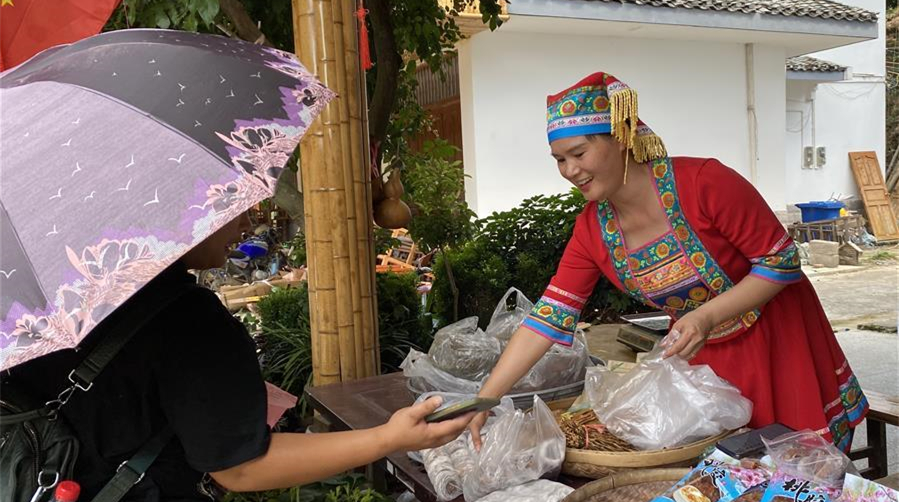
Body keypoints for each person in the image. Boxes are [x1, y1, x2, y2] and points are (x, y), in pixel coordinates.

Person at [469, 71, 868, 453]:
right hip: (703, 365)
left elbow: (781, 261)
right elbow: (549, 315)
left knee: (800, 469)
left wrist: (705, 317)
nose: (570, 171)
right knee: (730, 475)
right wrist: (485, 398)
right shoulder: (592, 230)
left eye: (579, 153)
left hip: (780, 343)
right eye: (559, 159)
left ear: (621, 137)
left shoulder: (704, 183)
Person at [12, 212, 472, 500]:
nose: (247, 221)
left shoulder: (45, 299)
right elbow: (240, 466)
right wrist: (387, 438)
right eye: (222, 204)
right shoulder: (189, 319)